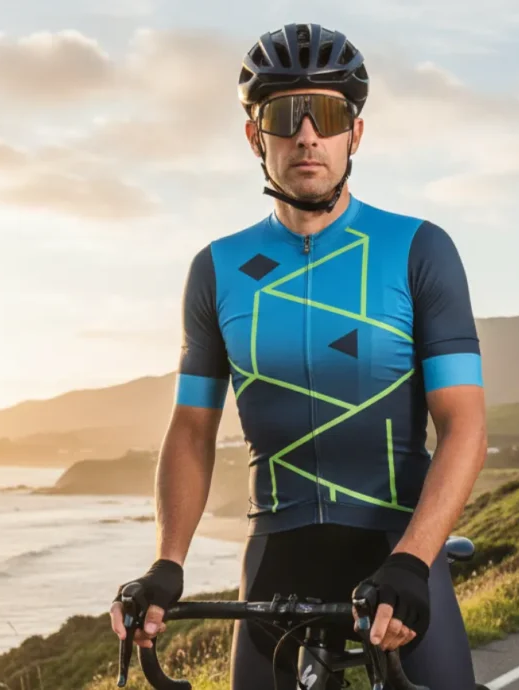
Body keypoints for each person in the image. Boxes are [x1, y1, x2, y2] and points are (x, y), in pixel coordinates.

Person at [109, 23, 488, 689]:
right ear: (255, 136)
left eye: (329, 116)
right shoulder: (217, 270)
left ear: (355, 135)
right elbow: (192, 429)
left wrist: (414, 558)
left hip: (399, 550)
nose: (308, 135)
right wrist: (168, 563)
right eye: (286, 116)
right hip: (277, 557)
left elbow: (465, 425)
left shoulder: (419, 250)